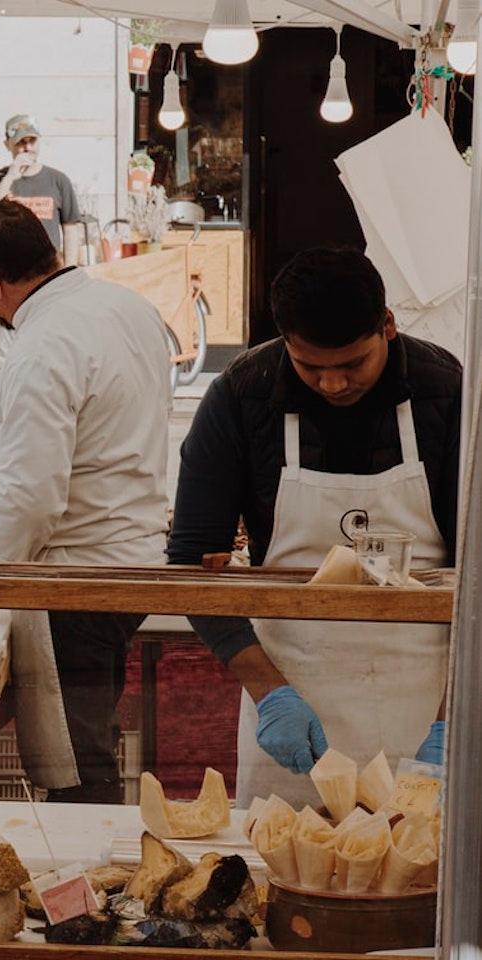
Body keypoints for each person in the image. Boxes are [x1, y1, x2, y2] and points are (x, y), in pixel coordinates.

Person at [168, 248, 459, 808]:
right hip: (291, 686)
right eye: (310, 366)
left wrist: (456, 718)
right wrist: (269, 691)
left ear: (388, 327)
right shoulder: (241, 394)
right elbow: (190, 563)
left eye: (352, 364)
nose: (331, 384)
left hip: (427, 697)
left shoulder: (447, 392)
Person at [0, 200, 171, 802]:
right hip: (135, 559)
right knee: (92, 737)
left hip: (73, 582)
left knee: (79, 768)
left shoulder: (38, 347)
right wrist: (10, 420)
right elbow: (110, 413)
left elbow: (31, 501)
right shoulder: (127, 306)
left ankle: (96, 886)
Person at [0, 115, 82, 255]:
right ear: (7, 144)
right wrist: (10, 177)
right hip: (8, 268)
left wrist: (69, 270)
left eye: (32, 140)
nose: (27, 147)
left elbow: (70, 228)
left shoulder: (58, 180)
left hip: (48, 268)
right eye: (20, 142)